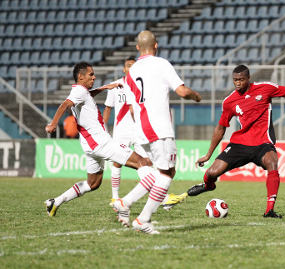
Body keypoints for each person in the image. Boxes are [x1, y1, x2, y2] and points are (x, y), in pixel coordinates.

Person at [44, 62, 171, 234]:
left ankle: (55, 202)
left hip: (90, 146)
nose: (94, 77)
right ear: (80, 77)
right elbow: (66, 104)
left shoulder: (82, 92)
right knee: (142, 162)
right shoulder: (78, 91)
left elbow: (87, 95)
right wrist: (53, 123)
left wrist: (104, 88)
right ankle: (135, 203)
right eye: (91, 75)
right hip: (102, 143)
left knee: (93, 183)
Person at [112, 30, 202, 233]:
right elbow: (182, 91)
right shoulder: (161, 64)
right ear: (156, 45)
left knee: (160, 170)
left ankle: (125, 202)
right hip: (159, 126)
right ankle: (143, 219)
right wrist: (196, 96)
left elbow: (133, 106)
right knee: (168, 173)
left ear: (137, 48)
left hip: (141, 127)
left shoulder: (132, 72)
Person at [184, 64, 285, 218]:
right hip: (240, 143)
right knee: (212, 172)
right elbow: (220, 129)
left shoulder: (265, 88)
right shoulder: (229, 102)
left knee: (272, 162)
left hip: (263, 142)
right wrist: (208, 155)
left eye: (241, 79)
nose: (238, 83)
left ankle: (269, 210)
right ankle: (208, 185)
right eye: (235, 80)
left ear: (248, 78)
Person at [102, 56, 187, 210]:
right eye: (128, 66)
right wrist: (103, 128)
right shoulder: (116, 86)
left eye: (133, 66)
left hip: (139, 130)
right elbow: (108, 108)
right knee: (117, 162)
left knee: (146, 163)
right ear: (123, 69)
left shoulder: (142, 85)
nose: (130, 68)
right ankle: (115, 196)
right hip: (121, 130)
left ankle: (161, 197)